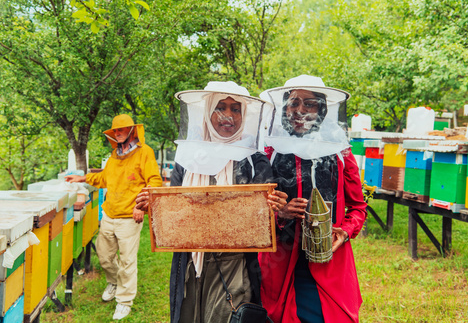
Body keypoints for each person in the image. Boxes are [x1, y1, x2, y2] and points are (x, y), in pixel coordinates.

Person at [136, 81, 287, 323]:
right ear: (207, 112)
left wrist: (275, 208)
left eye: (235, 109)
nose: (228, 116)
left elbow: (263, 217)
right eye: (220, 107)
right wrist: (154, 207)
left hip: (234, 264)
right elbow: (176, 209)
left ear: (244, 115)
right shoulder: (187, 157)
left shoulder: (253, 158)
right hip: (190, 262)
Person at [258, 75, 368, 323]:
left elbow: (358, 207)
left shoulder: (340, 153)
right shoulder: (269, 153)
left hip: (329, 262)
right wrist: (280, 213)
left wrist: (345, 231)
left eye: (309, 104)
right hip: (281, 261)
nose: (300, 110)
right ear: (284, 108)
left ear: (322, 110)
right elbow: (252, 211)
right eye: (294, 102)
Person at [66, 114, 162, 320]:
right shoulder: (114, 156)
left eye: (121, 129)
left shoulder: (145, 153)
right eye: (115, 131)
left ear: (132, 131)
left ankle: (124, 301)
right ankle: (114, 281)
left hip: (130, 217)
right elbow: (103, 178)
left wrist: (142, 206)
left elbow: (154, 181)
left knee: (127, 261)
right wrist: (81, 177)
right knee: (104, 256)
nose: (117, 133)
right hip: (109, 214)